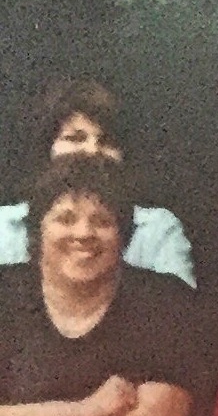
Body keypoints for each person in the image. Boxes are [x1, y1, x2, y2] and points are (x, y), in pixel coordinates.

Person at [0, 154, 213, 416]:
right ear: (38, 230)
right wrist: (88, 411)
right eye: (65, 219)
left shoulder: (165, 301)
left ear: (123, 235)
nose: (84, 233)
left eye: (102, 221)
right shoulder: (5, 294)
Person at [0, 78, 195, 281]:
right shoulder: (3, 227)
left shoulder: (157, 229)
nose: (92, 151)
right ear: (47, 149)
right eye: (76, 138)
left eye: (106, 141)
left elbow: (178, 301)